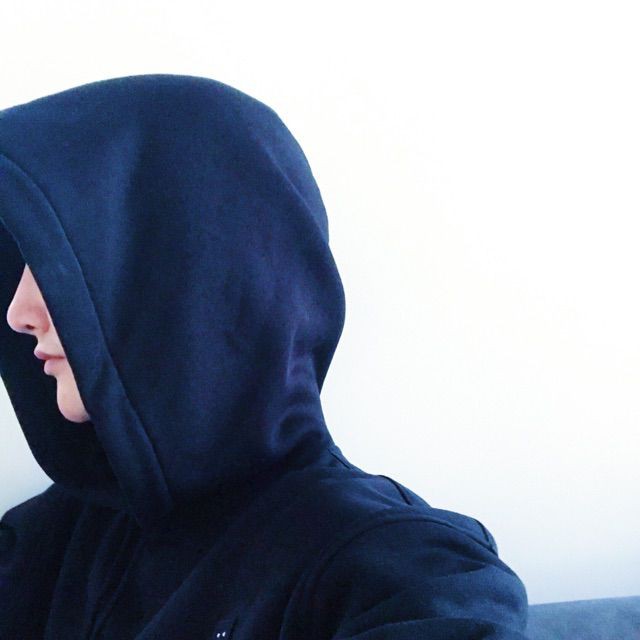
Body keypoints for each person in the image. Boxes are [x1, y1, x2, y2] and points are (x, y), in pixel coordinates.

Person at [0, 73, 531, 639]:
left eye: (56, 260)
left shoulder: (396, 567)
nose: (17, 311)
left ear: (185, 273)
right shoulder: (51, 542)